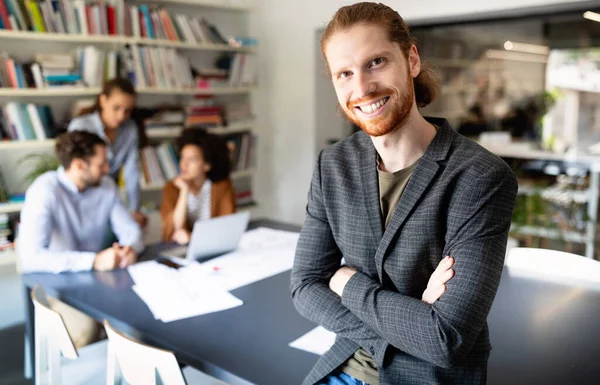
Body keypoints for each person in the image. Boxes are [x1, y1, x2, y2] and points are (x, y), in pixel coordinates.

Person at [290, 3, 518, 385]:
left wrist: (347, 282)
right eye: (344, 73)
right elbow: (305, 284)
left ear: (411, 59)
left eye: (376, 62)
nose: (361, 88)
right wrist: (409, 321)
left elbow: (445, 338)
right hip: (345, 366)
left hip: (429, 376)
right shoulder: (333, 165)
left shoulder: (481, 177)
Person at [18, 130, 144, 347]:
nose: (108, 169)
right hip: (58, 284)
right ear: (78, 165)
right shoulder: (44, 191)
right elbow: (30, 258)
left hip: (99, 281)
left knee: (141, 318)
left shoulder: (106, 187)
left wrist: (129, 249)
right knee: (84, 331)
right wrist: (93, 261)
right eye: (101, 164)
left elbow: (131, 231)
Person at [68, 77, 147, 228]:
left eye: (127, 111)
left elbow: (132, 172)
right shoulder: (81, 126)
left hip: (110, 196)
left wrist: (134, 210)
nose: (121, 116)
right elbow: (74, 173)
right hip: (83, 197)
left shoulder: (130, 129)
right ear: (103, 101)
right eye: (116, 108)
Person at [160, 128, 236, 244]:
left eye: (192, 160)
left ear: (207, 165)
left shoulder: (222, 186)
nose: (183, 164)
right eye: (182, 157)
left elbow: (226, 227)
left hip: (214, 245)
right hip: (180, 249)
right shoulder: (171, 188)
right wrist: (184, 192)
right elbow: (173, 231)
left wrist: (192, 237)